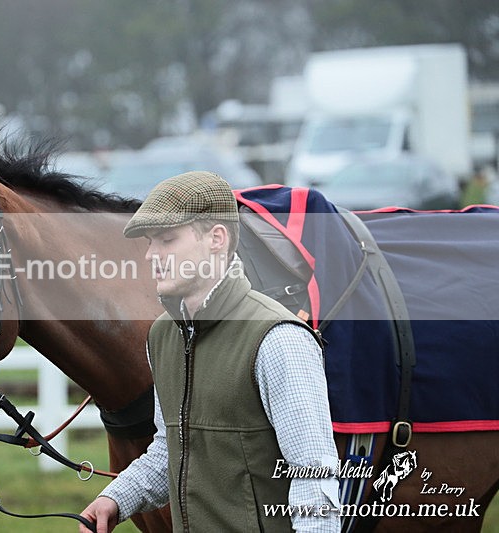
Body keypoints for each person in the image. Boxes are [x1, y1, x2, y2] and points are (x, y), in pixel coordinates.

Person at [80, 172, 340, 532]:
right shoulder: (162, 337)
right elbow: (168, 449)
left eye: (167, 239)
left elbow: (315, 478)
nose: (152, 255)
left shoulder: (279, 339)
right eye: (150, 243)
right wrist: (116, 498)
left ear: (216, 239)